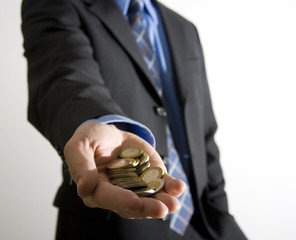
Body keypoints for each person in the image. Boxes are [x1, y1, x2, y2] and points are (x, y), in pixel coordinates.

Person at [21, 0, 247, 239]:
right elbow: (65, 77)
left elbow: (205, 134)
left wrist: (222, 221)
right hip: (112, 228)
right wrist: (99, 121)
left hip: (201, 226)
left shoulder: (185, 28)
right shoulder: (57, 4)